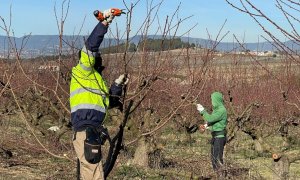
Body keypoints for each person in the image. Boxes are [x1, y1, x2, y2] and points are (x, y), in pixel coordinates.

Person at [70, 9, 128, 180]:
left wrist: (117, 85)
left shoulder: (97, 79)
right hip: (86, 129)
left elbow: (109, 102)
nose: (97, 57)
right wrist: (104, 23)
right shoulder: (82, 71)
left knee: (91, 172)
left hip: (93, 130)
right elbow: (91, 46)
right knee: (94, 173)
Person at [196, 91, 227, 172]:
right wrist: (206, 126)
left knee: (217, 160)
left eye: (212, 100)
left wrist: (202, 110)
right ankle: (217, 175)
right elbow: (214, 121)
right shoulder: (216, 110)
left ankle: (220, 176)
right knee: (213, 159)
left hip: (219, 138)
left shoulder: (221, 110)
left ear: (216, 100)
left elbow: (209, 118)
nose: (211, 102)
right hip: (215, 137)